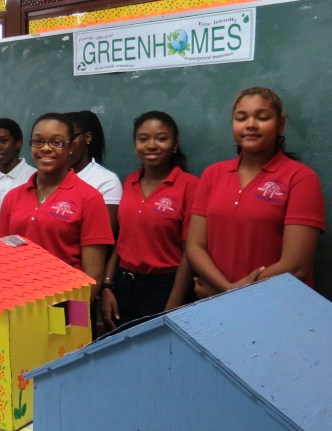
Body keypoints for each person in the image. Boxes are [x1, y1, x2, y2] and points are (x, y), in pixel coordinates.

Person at [186, 87, 325, 297]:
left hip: (277, 303)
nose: (250, 125)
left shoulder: (301, 178)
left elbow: (296, 266)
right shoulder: (212, 174)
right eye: (241, 118)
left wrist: (231, 292)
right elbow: (195, 246)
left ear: (280, 124)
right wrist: (226, 289)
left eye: (262, 117)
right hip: (216, 303)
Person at [0, 113, 113, 301]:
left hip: (65, 307)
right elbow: (0, 256)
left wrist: (72, 317)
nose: (46, 149)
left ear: (71, 147)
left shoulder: (89, 198)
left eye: (56, 142)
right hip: (16, 304)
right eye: (39, 142)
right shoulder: (13, 197)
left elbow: (94, 275)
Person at [101, 111, 198, 329]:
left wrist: (173, 304)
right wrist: (107, 286)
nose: (151, 145)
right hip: (123, 287)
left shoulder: (189, 186)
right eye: (143, 139)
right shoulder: (131, 181)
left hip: (165, 289)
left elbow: (190, 252)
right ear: (136, 146)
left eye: (161, 138)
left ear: (175, 145)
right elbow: (122, 240)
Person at [67, 111, 123, 234]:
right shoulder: (48, 178)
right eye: (58, 140)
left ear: (87, 138)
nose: (64, 145)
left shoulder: (106, 181)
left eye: (70, 138)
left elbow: (104, 237)